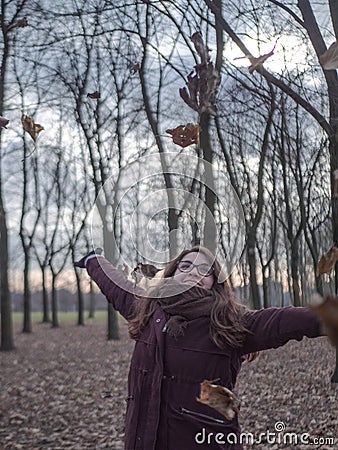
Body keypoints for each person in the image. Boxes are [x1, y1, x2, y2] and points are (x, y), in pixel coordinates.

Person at [75, 245, 323, 450]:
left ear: (214, 282)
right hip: (143, 440)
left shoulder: (229, 321)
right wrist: (93, 260)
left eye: (205, 270)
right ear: (172, 273)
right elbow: (115, 285)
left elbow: (284, 320)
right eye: (186, 266)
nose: (194, 272)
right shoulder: (149, 310)